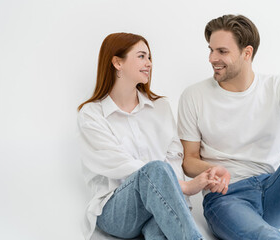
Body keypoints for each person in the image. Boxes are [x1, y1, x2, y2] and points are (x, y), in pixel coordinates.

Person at [178, 14, 280, 240]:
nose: (212, 58)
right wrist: (212, 170)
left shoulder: (276, 86)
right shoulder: (194, 96)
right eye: (211, 50)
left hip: (272, 190)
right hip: (226, 197)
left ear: (247, 53)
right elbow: (189, 159)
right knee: (269, 238)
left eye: (222, 51)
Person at [78, 32, 213, 240]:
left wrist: (169, 188)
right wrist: (182, 186)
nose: (149, 63)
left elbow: (174, 156)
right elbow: (117, 162)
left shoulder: (160, 107)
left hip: (159, 202)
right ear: (117, 62)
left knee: (159, 232)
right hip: (116, 211)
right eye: (141, 56)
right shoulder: (91, 114)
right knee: (156, 169)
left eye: (149, 57)